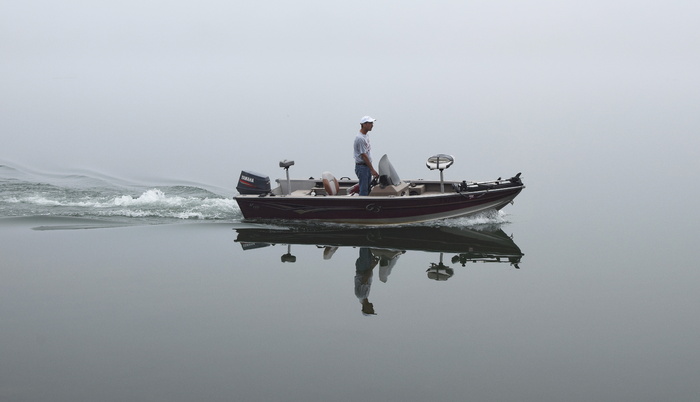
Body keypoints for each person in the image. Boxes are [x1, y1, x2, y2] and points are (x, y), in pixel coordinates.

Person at [353, 116, 379, 196]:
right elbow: (364, 155)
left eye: (372, 123)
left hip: (366, 166)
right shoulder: (360, 138)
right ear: (364, 124)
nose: (372, 125)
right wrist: (372, 170)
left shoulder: (366, 136)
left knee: (368, 188)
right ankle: (362, 206)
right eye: (370, 123)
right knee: (364, 190)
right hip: (362, 167)